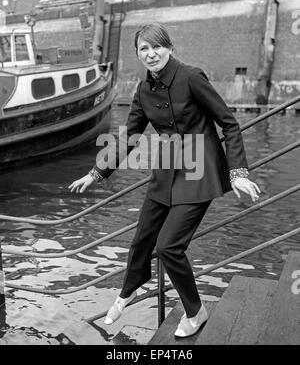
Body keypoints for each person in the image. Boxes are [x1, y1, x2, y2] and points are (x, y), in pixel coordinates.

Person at [69, 22, 260, 338]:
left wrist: (237, 172)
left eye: (156, 46)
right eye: (143, 48)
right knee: (142, 237)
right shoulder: (143, 89)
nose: (151, 53)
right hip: (166, 171)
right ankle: (126, 293)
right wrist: (96, 173)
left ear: (169, 48)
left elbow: (229, 124)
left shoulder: (191, 76)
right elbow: (129, 136)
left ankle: (196, 311)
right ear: (138, 54)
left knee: (168, 246)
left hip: (200, 174)